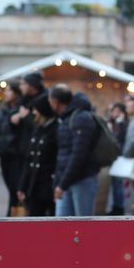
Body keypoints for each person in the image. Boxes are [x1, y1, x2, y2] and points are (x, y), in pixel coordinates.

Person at [49, 84, 101, 217]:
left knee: (83, 224)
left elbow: (79, 154)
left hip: (83, 179)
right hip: (66, 180)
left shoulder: (81, 118)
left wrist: (62, 184)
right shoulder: (65, 118)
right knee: (62, 224)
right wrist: (60, 183)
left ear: (55, 101)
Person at [17, 95, 59, 217]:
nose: (34, 112)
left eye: (36, 110)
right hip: (34, 186)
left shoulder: (56, 130)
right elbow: (29, 159)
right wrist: (22, 186)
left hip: (49, 186)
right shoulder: (38, 129)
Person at [0, 79, 27, 215]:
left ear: (16, 93)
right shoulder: (3, 109)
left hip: (16, 155)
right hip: (4, 154)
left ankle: (12, 216)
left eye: (9, 90)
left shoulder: (22, 109)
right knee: (10, 188)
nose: (6, 93)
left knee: (15, 189)